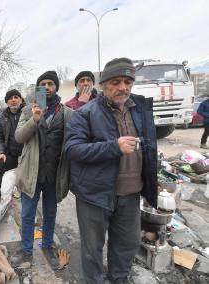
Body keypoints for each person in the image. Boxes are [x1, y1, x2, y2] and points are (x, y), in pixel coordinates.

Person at [65, 58, 158, 283]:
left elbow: (150, 147)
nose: (123, 87)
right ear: (104, 84)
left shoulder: (140, 109)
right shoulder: (84, 113)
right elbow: (72, 149)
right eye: (116, 82)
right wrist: (113, 147)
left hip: (131, 194)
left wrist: (152, 176)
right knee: (92, 250)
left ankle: (119, 279)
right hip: (94, 195)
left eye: (128, 82)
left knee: (127, 245)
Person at [11, 71, 74, 269]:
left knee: (50, 212)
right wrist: (35, 119)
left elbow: (72, 141)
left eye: (50, 84)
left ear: (56, 87)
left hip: (53, 174)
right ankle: (26, 249)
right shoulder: (28, 111)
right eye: (42, 84)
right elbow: (19, 137)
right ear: (37, 88)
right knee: (28, 214)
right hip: (31, 172)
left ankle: (48, 245)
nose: (46, 87)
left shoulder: (66, 113)